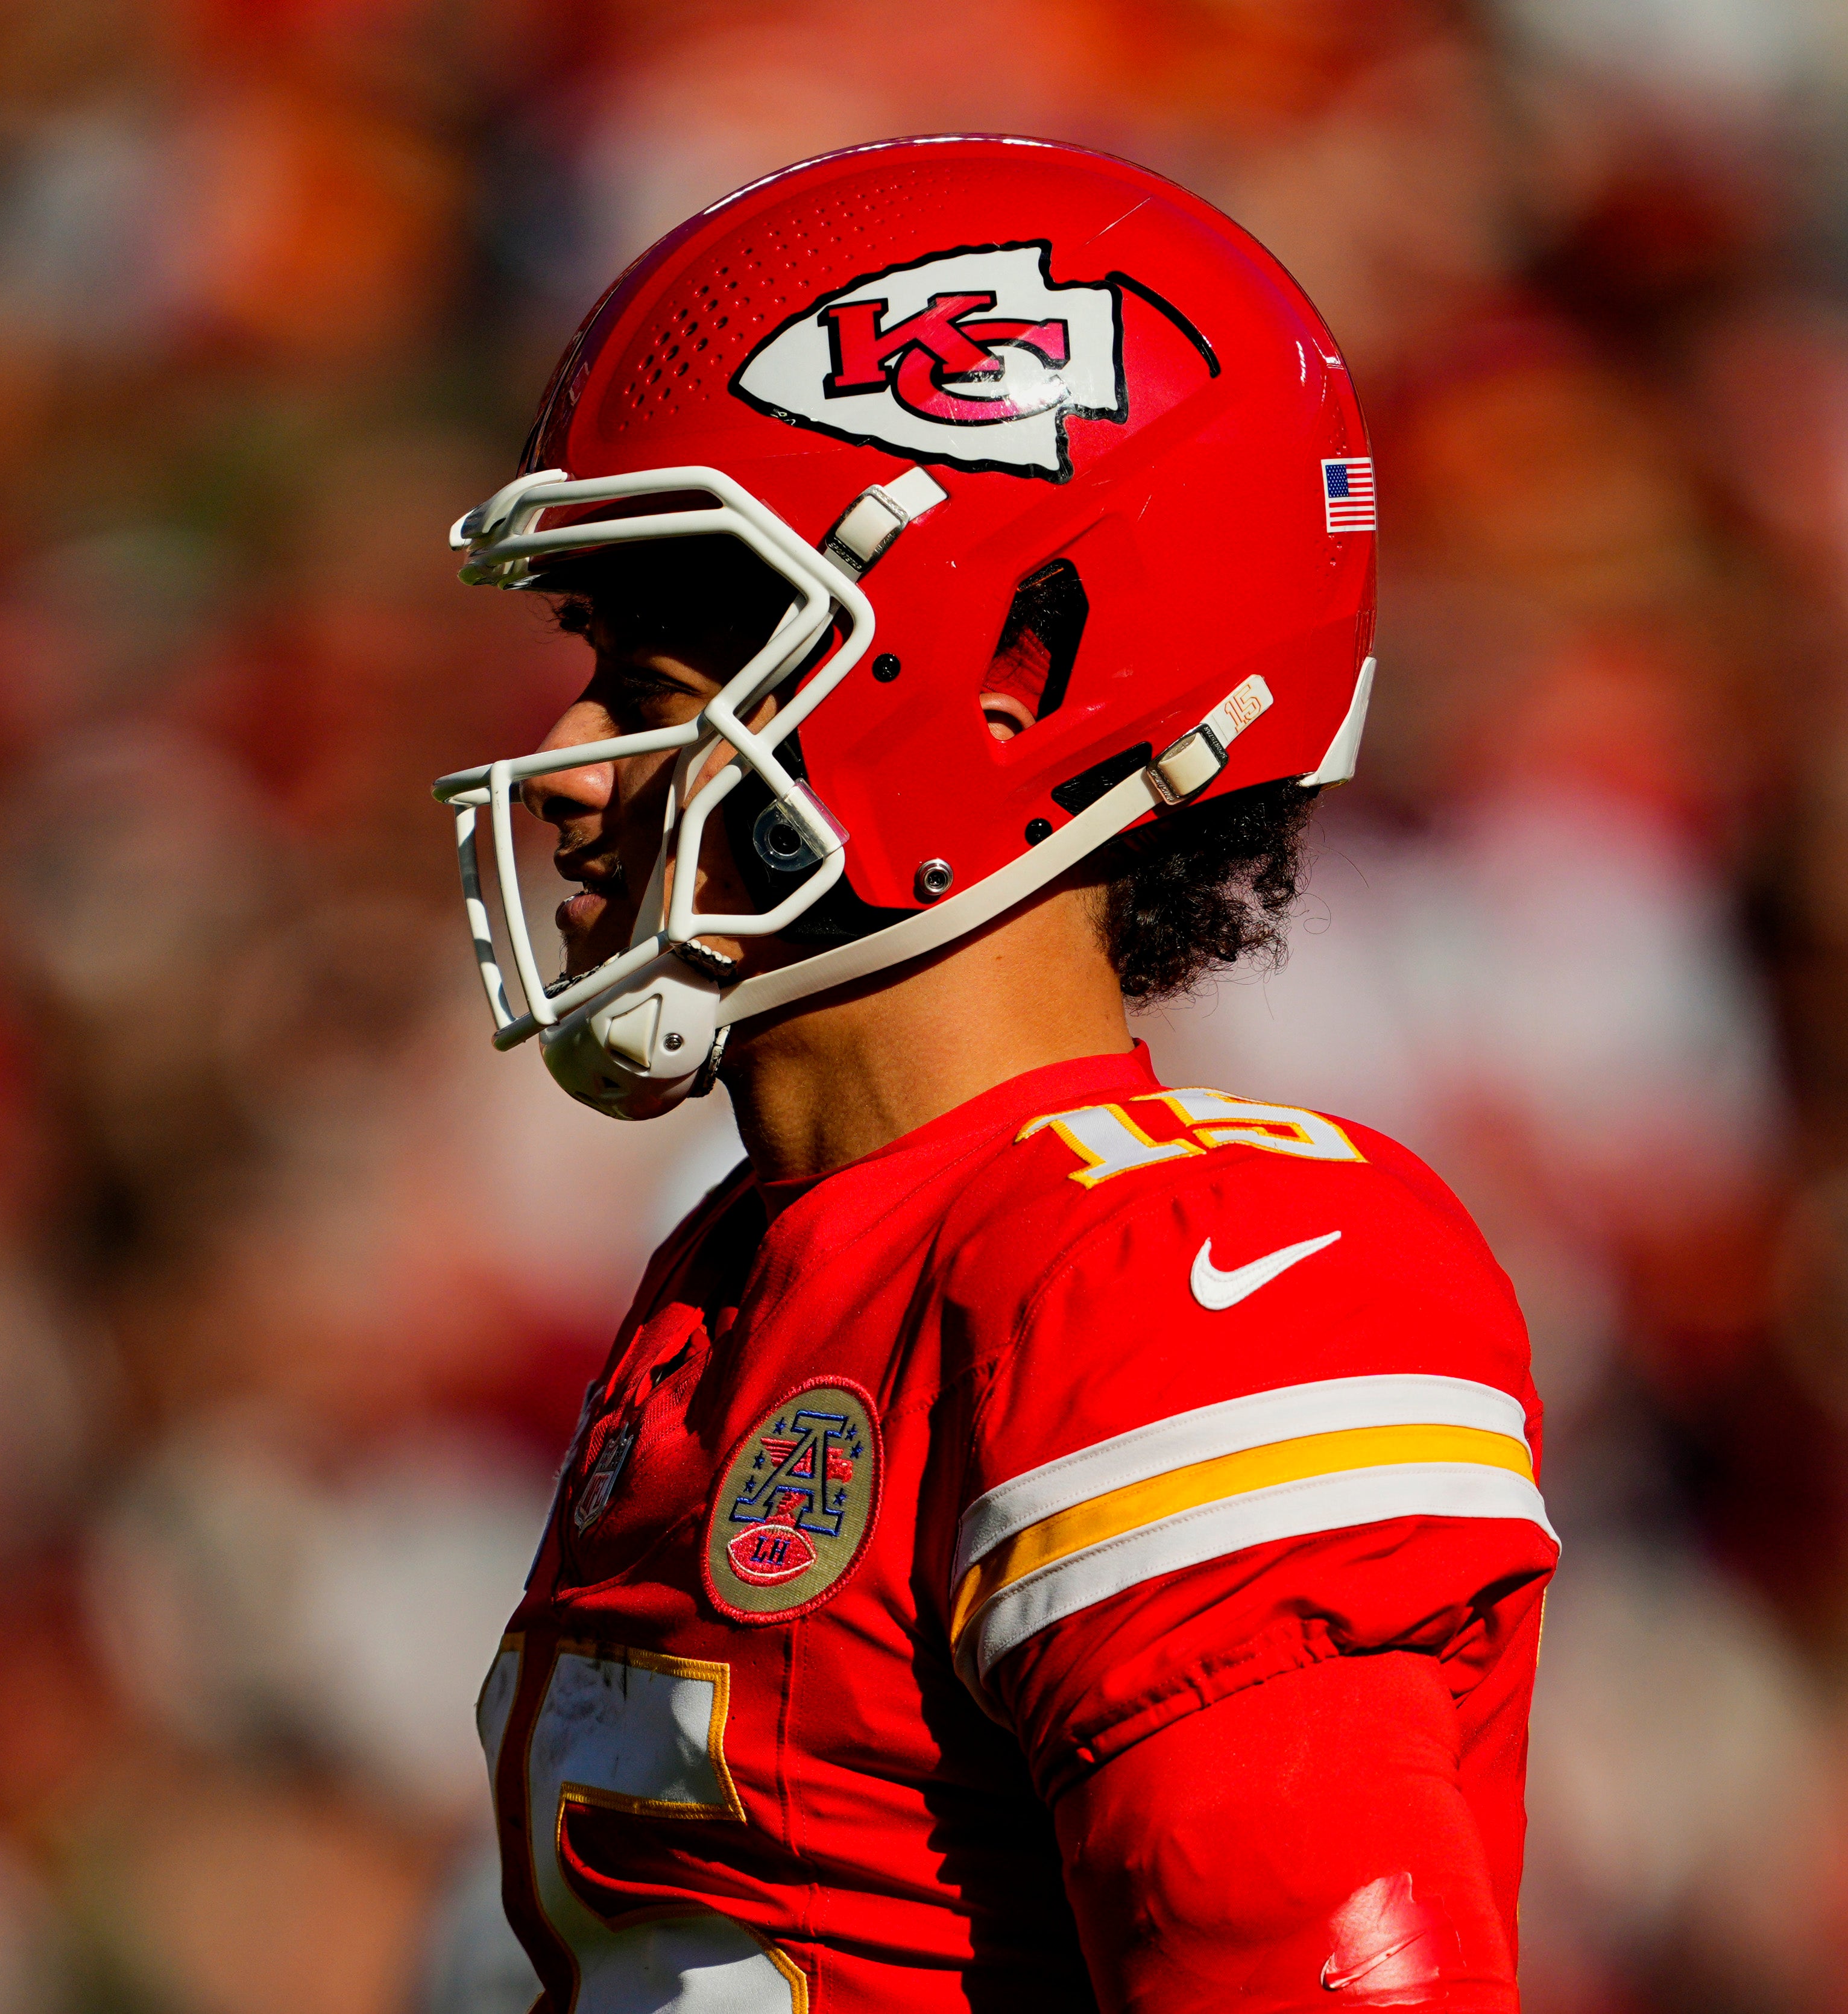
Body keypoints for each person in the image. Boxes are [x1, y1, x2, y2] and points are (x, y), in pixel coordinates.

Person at [432, 137, 1555, 2014]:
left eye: (662, 678)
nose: (569, 760)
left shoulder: (1190, 1271)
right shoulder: (749, 1267)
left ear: (1020, 673)